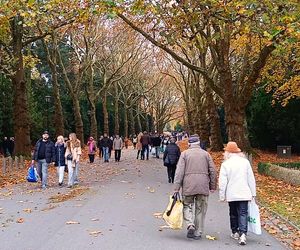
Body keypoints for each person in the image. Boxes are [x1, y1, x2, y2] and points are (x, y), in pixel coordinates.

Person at [173, 135, 216, 240]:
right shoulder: (206, 154)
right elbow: (213, 171)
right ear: (199, 143)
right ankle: (198, 232)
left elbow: (179, 172)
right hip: (203, 185)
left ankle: (190, 224)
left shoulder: (184, 154)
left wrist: (176, 188)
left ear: (189, 144)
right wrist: (213, 185)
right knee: (200, 209)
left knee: (187, 205)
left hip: (188, 186)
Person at [219, 141, 256, 246]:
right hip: (244, 192)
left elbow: (222, 182)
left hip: (232, 193)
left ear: (227, 153)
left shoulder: (225, 164)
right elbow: (251, 179)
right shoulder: (245, 162)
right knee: (243, 213)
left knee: (233, 213)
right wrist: (253, 193)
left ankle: (235, 231)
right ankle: (243, 234)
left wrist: (222, 196)